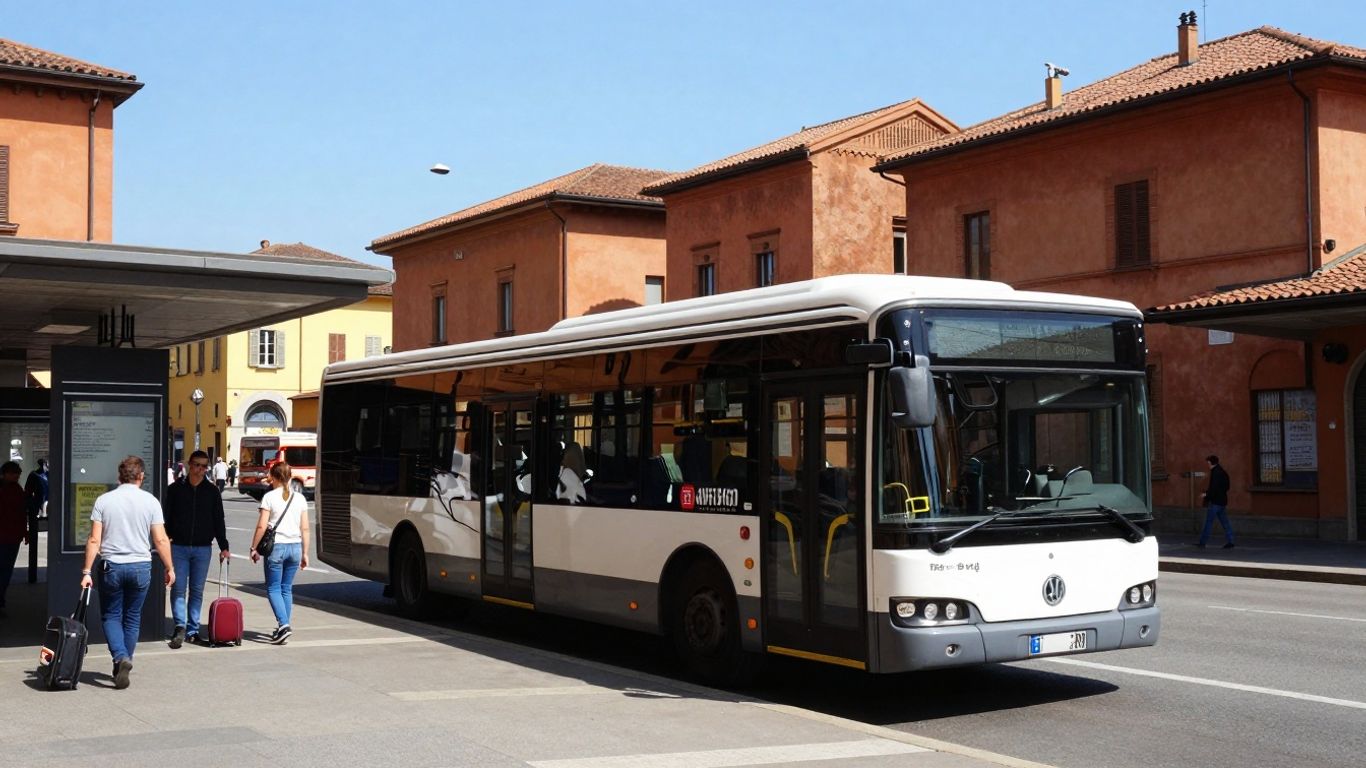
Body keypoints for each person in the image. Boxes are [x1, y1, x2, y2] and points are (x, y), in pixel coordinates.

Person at [79, 455, 175, 689]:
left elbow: (94, 539)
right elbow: (161, 539)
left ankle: (120, 658)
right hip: (141, 566)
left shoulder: (104, 501)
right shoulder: (151, 501)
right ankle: (125, 660)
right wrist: (169, 567)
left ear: (119, 476)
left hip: (111, 566)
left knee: (111, 616)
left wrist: (86, 571)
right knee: (132, 617)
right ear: (141, 476)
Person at [162, 449, 230, 647]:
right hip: (179, 547)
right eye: (197, 465)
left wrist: (224, 546)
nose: (200, 470)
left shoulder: (211, 491)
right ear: (189, 465)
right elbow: (166, 516)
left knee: (197, 591)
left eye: (203, 466)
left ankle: (193, 630)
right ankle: (179, 627)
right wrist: (167, 538)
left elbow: (219, 520)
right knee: (178, 589)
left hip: (202, 548)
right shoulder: (175, 489)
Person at [250, 461, 308, 644]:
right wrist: (305, 552)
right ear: (290, 477)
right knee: (286, 588)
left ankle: (284, 625)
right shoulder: (300, 498)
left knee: (273, 588)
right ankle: (283, 627)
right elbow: (305, 528)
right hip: (296, 547)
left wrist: (254, 547)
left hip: (277, 548)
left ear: (273, 477)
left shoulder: (269, 497)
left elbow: (261, 525)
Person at [0, 461, 28, 618]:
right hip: (8, 535)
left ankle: (1, 600)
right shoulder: (13, 490)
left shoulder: (16, 489)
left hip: (12, 536)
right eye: (13, 473)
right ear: (5, 474)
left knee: (6, 570)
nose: (16, 476)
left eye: (17, 473)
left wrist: (24, 532)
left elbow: (21, 513)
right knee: (4, 570)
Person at [1196, 454, 1235, 549]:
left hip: (1215, 502)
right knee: (1225, 522)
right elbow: (1227, 487)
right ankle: (1231, 541)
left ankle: (1202, 542)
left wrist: (1206, 495)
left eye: (1208, 463)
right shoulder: (1223, 472)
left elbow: (1213, 488)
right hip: (1222, 501)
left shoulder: (1215, 473)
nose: (1208, 465)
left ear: (1211, 463)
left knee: (1208, 523)